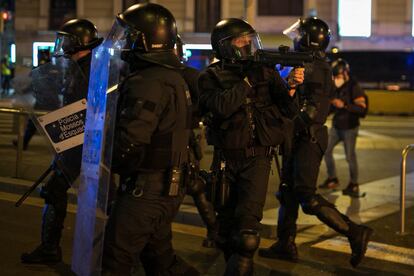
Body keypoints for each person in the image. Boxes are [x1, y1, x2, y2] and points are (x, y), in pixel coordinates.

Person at [258, 17, 373, 268]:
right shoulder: (310, 64)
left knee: (306, 197)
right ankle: (285, 244)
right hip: (300, 136)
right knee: (287, 193)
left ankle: (354, 232)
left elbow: (311, 112)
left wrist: (286, 126)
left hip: (307, 137)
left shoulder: (314, 66)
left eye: (299, 35)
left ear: (308, 40)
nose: (295, 39)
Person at [198, 18, 303, 275]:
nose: (248, 45)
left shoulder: (265, 72)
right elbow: (221, 106)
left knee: (247, 232)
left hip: (258, 159)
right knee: (225, 231)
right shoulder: (210, 76)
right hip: (225, 159)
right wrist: (246, 82)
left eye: (250, 40)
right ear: (225, 46)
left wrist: (290, 86)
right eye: (241, 41)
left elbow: (289, 111)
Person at [101, 3, 198, 275]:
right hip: (167, 185)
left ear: (145, 39)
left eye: (130, 35)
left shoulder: (147, 81)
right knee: (159, 260)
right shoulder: (172, 76)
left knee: (115, 259)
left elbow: (132, 140)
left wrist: (113, 163)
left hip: (146, 189)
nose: (124, 42)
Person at [20, 19, 103, 264]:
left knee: (56, 190)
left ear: (77, 42)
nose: (62, 44)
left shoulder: (88, 70)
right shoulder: (83, 66)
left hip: (82, 145)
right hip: (75, 144)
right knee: (58, 190)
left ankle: (50, 249)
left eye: (65, 39)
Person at [175, 34, 218, 248]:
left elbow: (206, 105)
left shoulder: (190, 76)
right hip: (172, 141)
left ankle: (214, 229)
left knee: (194, 186)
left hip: (183, 140)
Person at [319, 58, 367, 197]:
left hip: (349, 127)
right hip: (337, 125)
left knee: (350, 156)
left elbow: (362, 109)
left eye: (339, 76)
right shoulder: (336, 88)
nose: (337, 79)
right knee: (326, 150)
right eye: (335, 77)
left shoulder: (354, 87)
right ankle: (332, 178)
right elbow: (332, 106)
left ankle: (354, 184)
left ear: (346, 73)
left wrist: (345, 105)